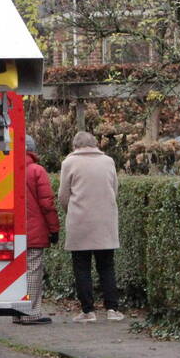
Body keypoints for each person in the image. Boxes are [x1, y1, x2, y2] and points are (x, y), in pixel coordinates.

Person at [58, 131, 123, 322]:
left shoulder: (69, 163)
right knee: (107, 265)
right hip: (105, 220)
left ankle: (88, 311)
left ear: (75, 145)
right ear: (95, 144)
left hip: (80, 221)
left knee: (82, 267)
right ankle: (112, 309)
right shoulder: (108, 162)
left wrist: (71, 211)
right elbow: (115, 188)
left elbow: (63, 195)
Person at [20, 135, 59, 325]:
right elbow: (47, 204)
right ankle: (30, 312)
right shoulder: (36, 170)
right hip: (34, 231)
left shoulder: (4, 168)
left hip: (9, 232)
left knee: (15, 272)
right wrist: (54, 229)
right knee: (33, 270)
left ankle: (16, 311)